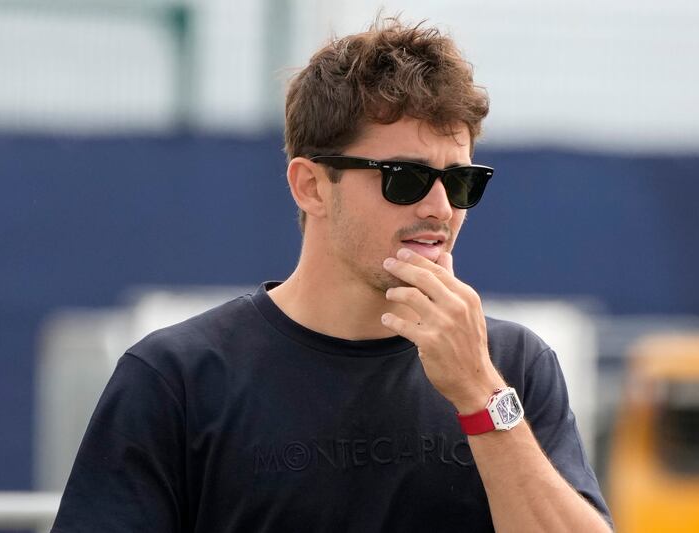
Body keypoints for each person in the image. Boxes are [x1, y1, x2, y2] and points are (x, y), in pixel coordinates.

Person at [52, 17, 613, 533]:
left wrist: (480, 394)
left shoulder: (511, 367)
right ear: (311, 186)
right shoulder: (180, 377)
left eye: (462, 181)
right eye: (405, 177)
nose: (441, 208)